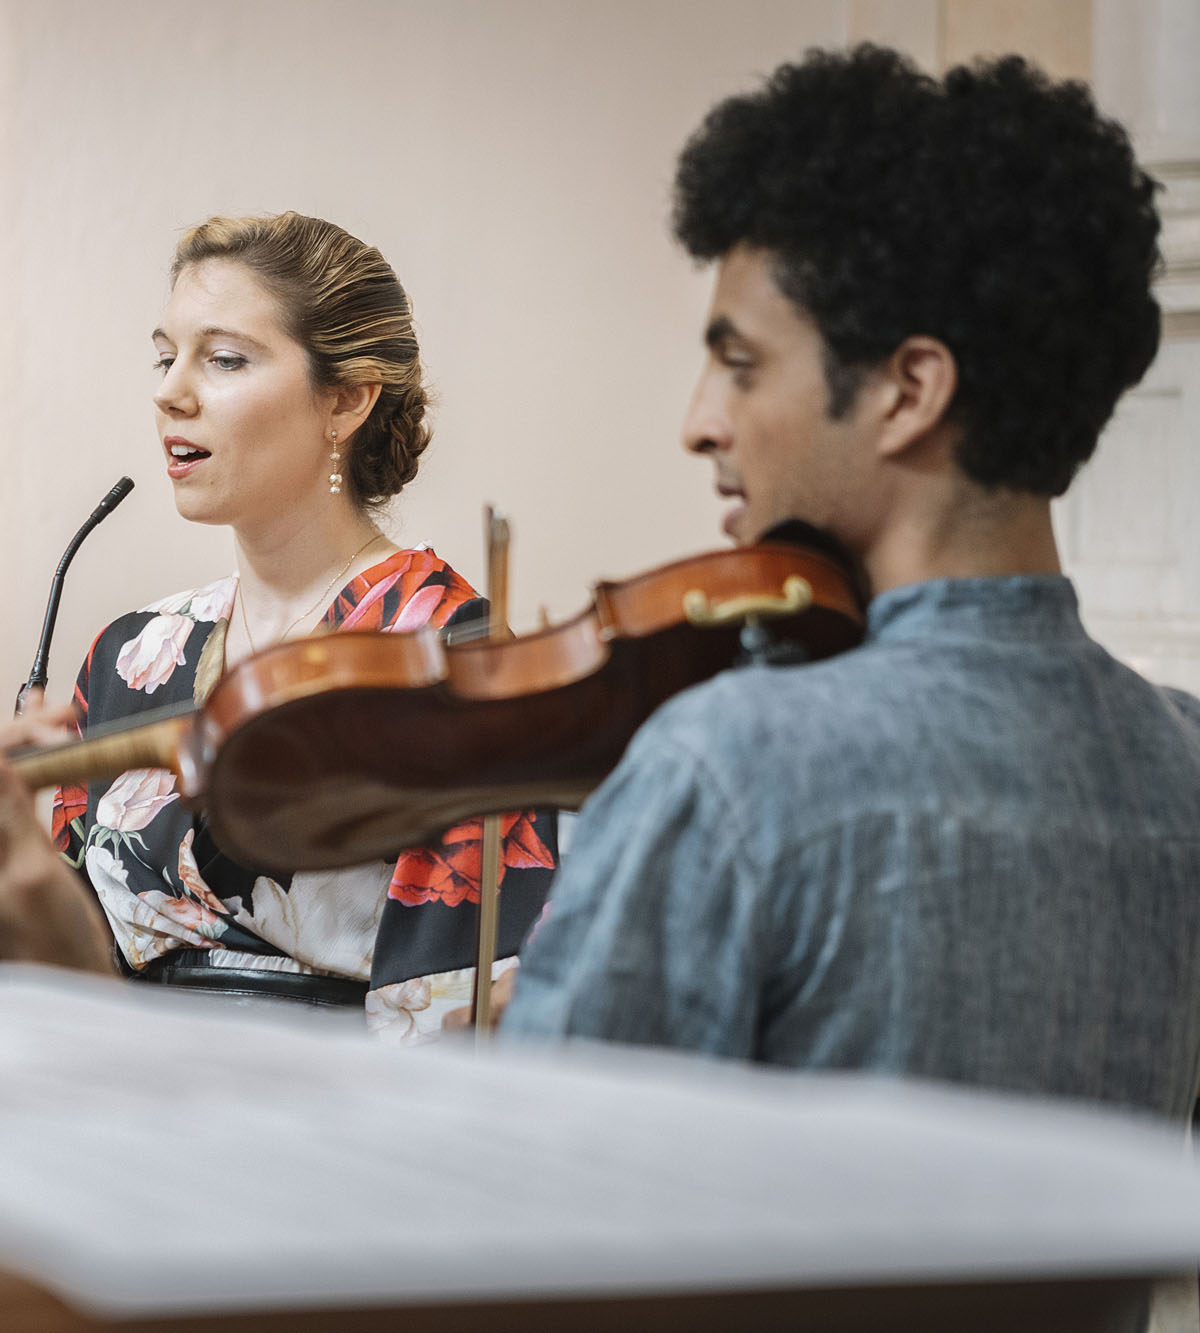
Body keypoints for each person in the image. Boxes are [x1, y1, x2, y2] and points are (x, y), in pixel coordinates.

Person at [500, 45, 1200, 1122]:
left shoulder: (727, 763)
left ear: (907, 390)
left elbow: (522, 1218)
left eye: (739, 364)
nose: (700, 421)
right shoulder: (1184, 765)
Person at [0, 212, 555, 1040]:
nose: (170, 390)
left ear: (347, 398)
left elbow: (451, 1016)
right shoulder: (133, 653)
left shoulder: (448, 651)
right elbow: (57, 1000)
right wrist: (25, 890)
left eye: (223, 359)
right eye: (164, 354)